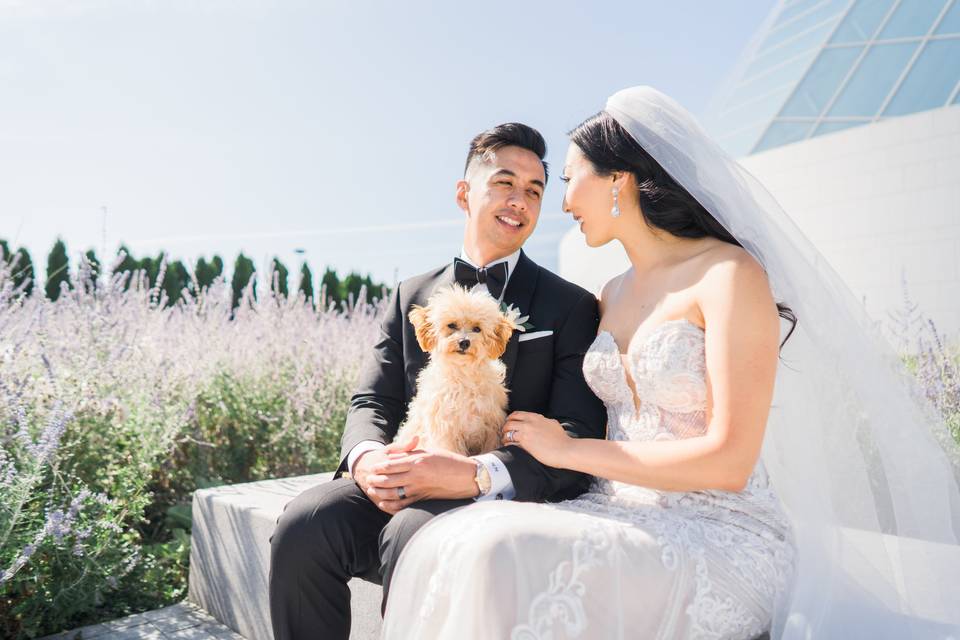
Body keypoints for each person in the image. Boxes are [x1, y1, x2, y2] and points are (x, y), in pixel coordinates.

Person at [380, 87, 960, 639]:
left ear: (617, 181)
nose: (558, 203)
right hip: (611, 508)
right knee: (460, 537)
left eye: (566, 180)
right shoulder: (608, 293)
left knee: (495, 550)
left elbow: (732, 460)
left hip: (720, 529)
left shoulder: (730, 275)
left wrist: (567, 449)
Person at [268, 122, 606, 640]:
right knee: (303, 524)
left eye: (535, 191)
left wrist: (476, 474)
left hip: (497, 494)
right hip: (399, 474)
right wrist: (368, 459)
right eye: (504, 183)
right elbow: (372, 400)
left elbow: (578, 428)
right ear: (463, 193)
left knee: (414, 534)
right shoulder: (411, 294)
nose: (520, 200)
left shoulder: (573, 305)